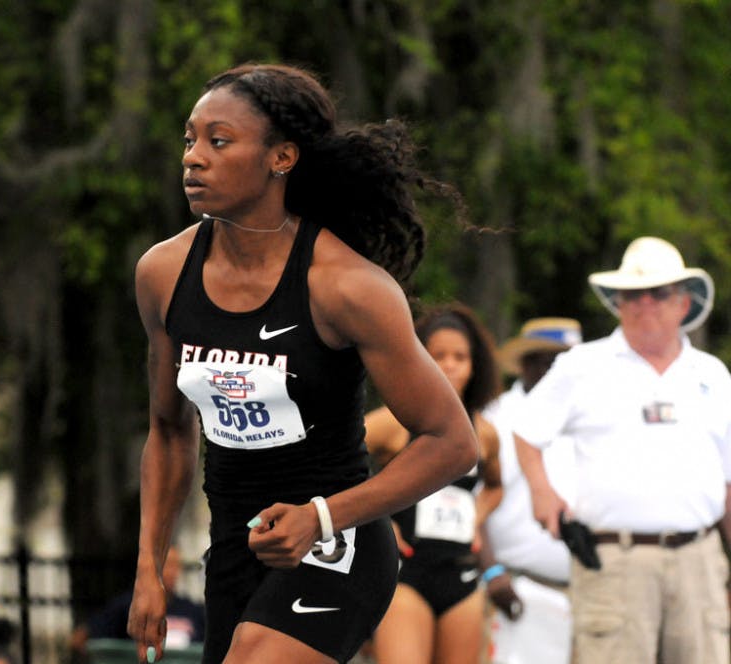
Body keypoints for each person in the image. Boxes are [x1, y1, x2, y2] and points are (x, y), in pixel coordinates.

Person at [129, 63, 478, 664]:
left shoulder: (346, 287)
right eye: (189, 139)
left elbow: (452, 442)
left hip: (336, 543)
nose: (192, 157)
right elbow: (167, 430)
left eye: (219, 140)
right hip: (237, 547)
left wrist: (321, 517)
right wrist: (149, 570)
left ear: (281, 157)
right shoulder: (163, 274)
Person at [514, 236, 731, 664]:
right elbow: (526, 431)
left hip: (700, 560)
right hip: (616, 560)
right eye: (632, 293)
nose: (644, 302)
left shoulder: (713, 374)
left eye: (658, 292)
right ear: (618, 302)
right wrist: (543, 492)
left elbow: (728, 479)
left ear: (682, 305)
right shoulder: (582, 365)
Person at [365, 303, 503, 664]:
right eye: (438, 355)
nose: (450, 364)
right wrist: (373, 519)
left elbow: (495, 486)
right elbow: (336, 458)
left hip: (460, 574)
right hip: (405, 574)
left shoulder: (485, 433)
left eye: (460, 356)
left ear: (475, 365)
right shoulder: (395, 423)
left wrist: (477, 517)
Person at [480, 317, 582, 664]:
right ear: (527, 364)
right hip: (517, 590)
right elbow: (468, 499)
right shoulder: (494, 418)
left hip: (594, 593)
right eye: (550, 361)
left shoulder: (590, 416)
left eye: (569, 362)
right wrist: (492, 572)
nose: (560, 372)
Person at [71, 546, 205, 657]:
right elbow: (83, 636)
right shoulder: (130, 605)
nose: (171, 572)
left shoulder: (192, 610)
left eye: (175, 566)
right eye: (166, 564)